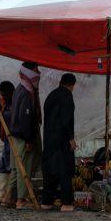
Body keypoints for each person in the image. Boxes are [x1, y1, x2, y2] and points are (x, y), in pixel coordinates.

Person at [5, 62, 43, 210]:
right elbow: (25, 117)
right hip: (22, 137)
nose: (38, 73)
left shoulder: (20, 89)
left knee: (16, 168)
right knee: (24, 169)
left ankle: (8, 198)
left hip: (16, 135)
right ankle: (21, 199)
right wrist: (28, 139)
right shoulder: (27, 92)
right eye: (36, 70)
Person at [41, 73, 78, 212]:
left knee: (50, 170)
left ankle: (47, 201)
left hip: (49, 139)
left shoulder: (51, 95)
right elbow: (66, 119)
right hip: (62, 140)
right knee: (65, 171)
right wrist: (71, 138)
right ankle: (66, 203)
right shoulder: (67, 96)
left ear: (60, 81)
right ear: (73, 85)